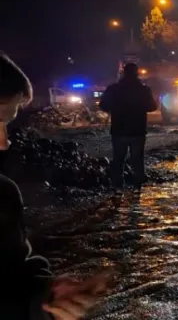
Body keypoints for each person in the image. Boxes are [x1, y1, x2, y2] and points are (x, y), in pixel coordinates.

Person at [2, 52, 108, 319]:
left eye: (6, 125)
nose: (3, 143)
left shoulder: (3, 194)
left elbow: (15, 274)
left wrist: (47, 296)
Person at [98, 63, 158, 188]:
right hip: (138, 130)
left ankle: (117, 187)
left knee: (118, 160)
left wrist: (116, 107)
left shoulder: (114, 89)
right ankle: (138, 188)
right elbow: (152, 107)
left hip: (119, 130)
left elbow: (103, 105)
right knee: (137, 160)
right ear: (136, 73)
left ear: (123, 73)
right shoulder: (144, 89)